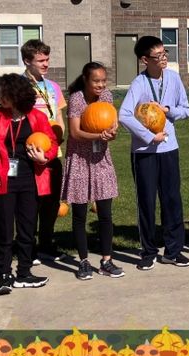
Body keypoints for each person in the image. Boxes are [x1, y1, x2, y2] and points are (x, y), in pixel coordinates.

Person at [0, 74, 58, 294]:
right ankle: (3, 274)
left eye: (4, 94)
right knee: (3, 228)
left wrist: (45, 157)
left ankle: (24, 272)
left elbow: (52, 142)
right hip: (2, 179)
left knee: (27, 228)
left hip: (30, 178)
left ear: (17, 95)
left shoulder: (36, 117)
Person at [119, 36, 189, 270]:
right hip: (145, 151)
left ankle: (173, 250)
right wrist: (150, 136)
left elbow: (186, 109)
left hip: (169, 148)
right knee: (147, 201)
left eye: (165, 53)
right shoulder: (139, 84)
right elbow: (124, 115)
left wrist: (168, 111)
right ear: (144, 60)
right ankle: (148, 251)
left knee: (172, 200)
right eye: (158, 55)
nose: (163, 59)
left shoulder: (173, 77)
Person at [62, 62, 122, 280]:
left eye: (103, 80)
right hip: (79, 159)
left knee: (105, 213)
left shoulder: (106, 97)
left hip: (100, 159)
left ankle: (107, 260)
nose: (101, 85)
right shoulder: (76, 99)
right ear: (86, 80)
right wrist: (98, 136)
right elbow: (75, 133)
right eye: (96, 81)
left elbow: (112, 125)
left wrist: (111, 134)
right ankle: (84, 261)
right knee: (79, 214)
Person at [21, 39, 66, 261]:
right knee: (31, 201)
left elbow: (58, 115)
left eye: (47, 59)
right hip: (30, 153)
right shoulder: (20, 86)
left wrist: (60, 134)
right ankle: (28, 247)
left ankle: (46, 243)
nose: (46, 64)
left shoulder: (53, 87)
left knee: (52, 200)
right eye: (40, 60)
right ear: (27, 61)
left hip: (52, 151)